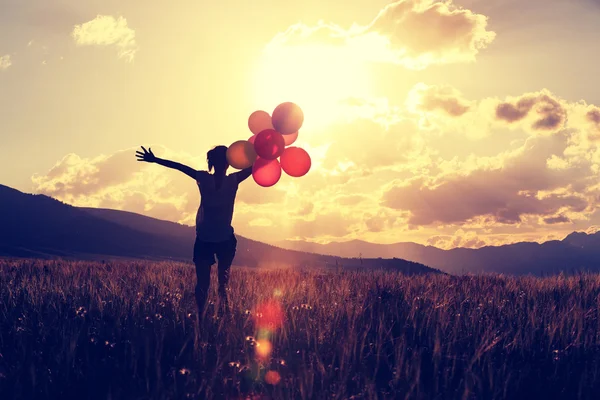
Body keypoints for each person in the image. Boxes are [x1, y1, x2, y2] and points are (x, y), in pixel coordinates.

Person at [136, 145, 252, 320]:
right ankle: (223, 317)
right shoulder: (233, 180)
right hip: (225, 240)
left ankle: (201, 318)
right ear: (229, 163)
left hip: (205, 238)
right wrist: (270, 152)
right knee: (222, 284)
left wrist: (155, 159)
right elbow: (255, 166)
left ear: (211, 162)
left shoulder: (203, 178)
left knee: (203, 284)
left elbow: (179, 166)